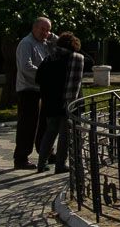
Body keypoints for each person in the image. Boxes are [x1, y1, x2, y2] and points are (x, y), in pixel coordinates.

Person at [35, 32, 85, 174]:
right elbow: (75, 84)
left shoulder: (49, 58)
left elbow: (38, 79)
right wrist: (70, 104)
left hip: (49, 102)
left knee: (50, 132)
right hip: (66, 103)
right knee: (65, 135)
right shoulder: (75, 58)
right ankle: (60, 165)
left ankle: (41, 163)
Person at [14, 17, 53, 170]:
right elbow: (26, 67)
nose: (45, 33)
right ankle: (21, 158)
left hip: (41, 90)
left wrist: (51, 36)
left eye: (48, 30)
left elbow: (58, 43)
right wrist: (46, 75)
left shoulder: (44, 43)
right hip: (28, 90)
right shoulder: (26, 43)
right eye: (43, 29)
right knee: (28, 125)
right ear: (34, 28)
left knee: (43, 124)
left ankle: (45, 153)